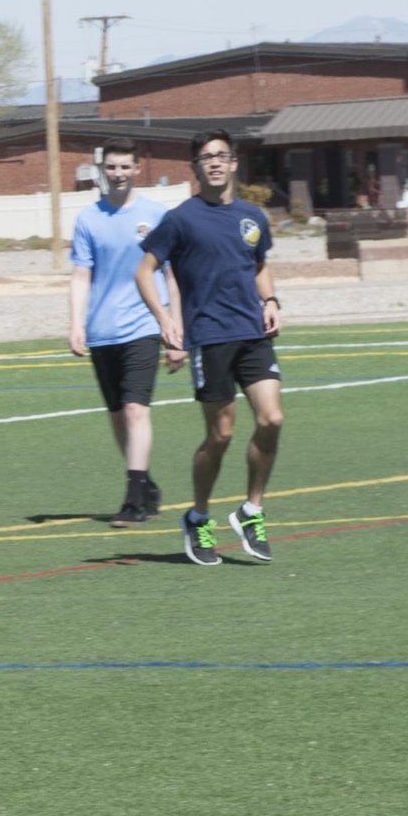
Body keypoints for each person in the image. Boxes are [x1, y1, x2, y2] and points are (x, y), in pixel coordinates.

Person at [133, 129, 284, 567]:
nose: (215, 162)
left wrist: (270, 301)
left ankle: (251, 511)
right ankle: (199, 517)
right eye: (206, 157)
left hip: (253, 333)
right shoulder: (181, 219)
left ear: (234, 162)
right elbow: (145, 271)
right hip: (209, 336)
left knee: (272, 418)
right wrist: (165, 321)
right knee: (220, 434)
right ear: (196, 168)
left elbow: (259, 266)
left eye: (221, 155)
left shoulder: (253, 217)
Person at [67, 139, 183, 526]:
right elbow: (82, 274)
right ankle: (145, 484)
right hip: (103, 330)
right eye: (111, 168)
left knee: (136, 409)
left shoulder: (156, 215)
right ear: (103, 171)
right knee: (118, 416)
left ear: (137, 170)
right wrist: (76, 323)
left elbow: (170, 273)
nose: (118, 174)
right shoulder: (88, 219)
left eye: (125, 167)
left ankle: (134, 502)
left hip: (144, 326)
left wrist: (174, 326)